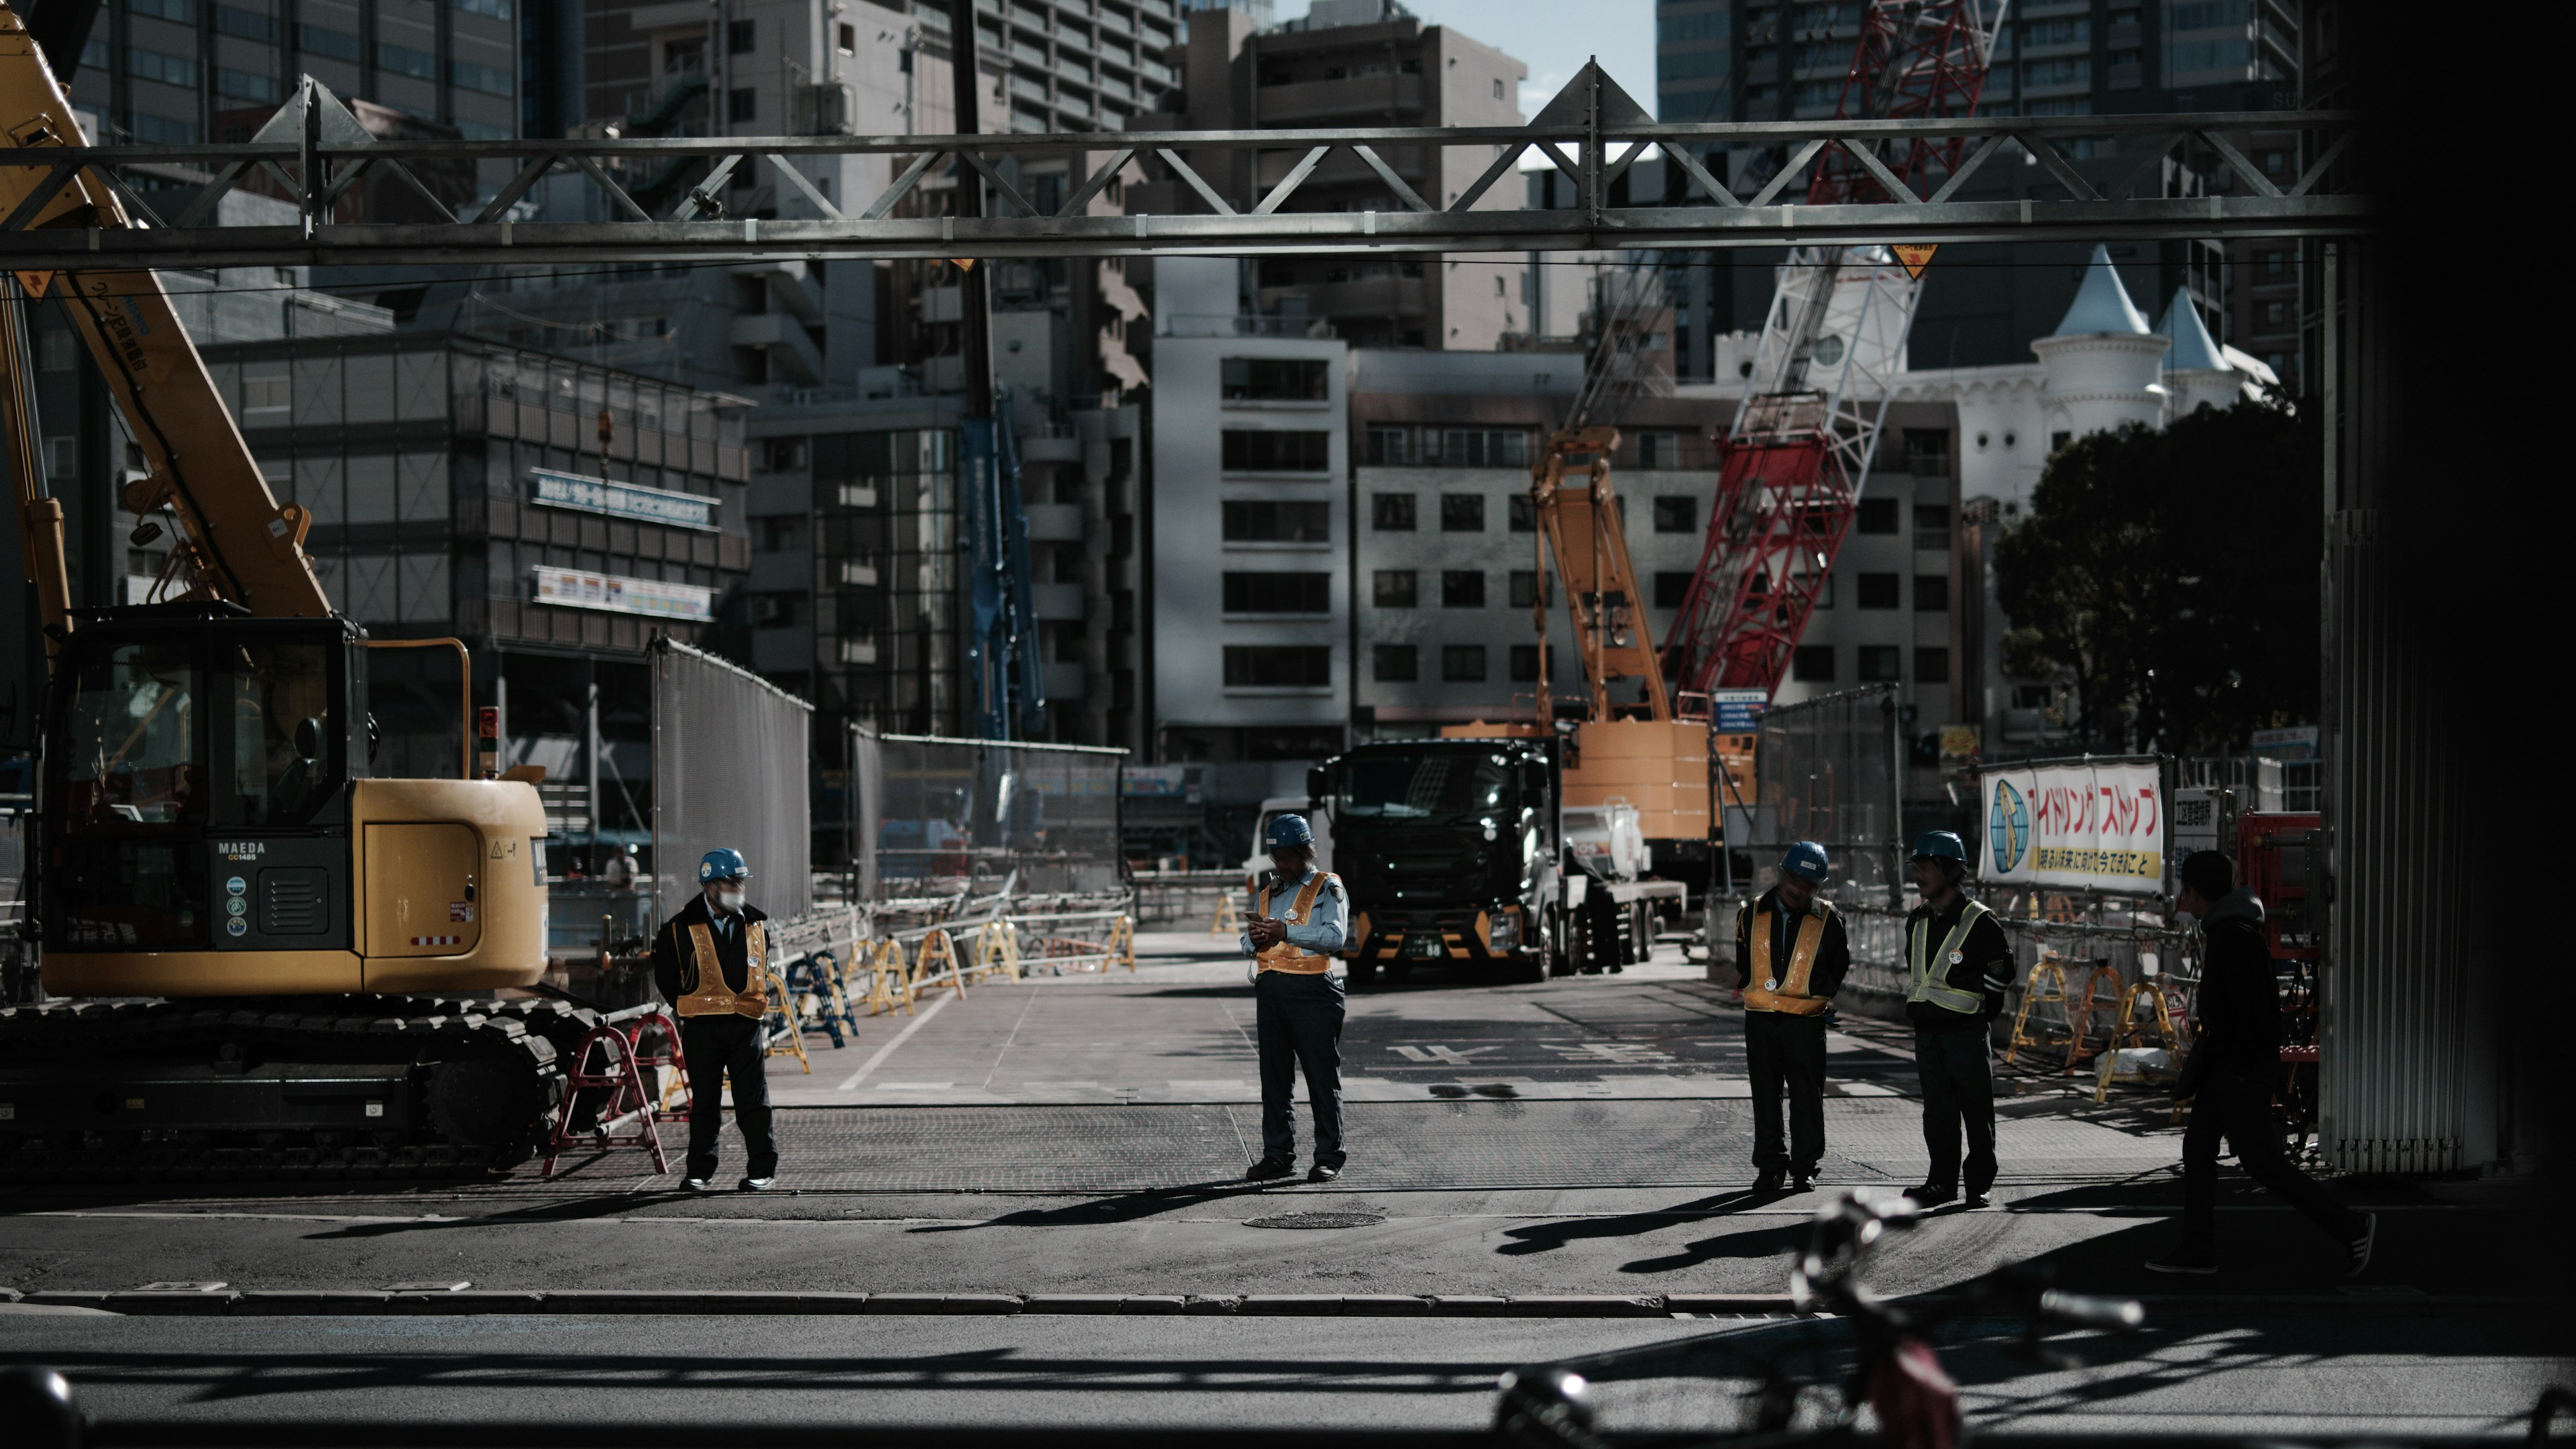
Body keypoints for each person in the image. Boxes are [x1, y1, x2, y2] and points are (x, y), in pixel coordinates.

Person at [2147, 850, 2375, 1277]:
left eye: (2185, 891)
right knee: (2203, 1148)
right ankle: (2199, 1248)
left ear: (2195, 892)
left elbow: (2247, 1015)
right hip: (2235, 1067)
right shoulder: (2232, 931)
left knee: (2259, 1161)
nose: (2182, 900)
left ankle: (2352, 1226)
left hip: (2239, 1069)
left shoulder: (2232, 938)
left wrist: (2233, 1065)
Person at [649, 847, 779, 1191]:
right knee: (704, 1103)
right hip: (702, 1029)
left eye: (740, 881)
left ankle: (762, 1169)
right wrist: (684, 1005)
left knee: (753, 1101)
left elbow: (761, 968)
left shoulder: (756, 924)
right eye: (730, 881)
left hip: (745, 1025)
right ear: (708, 885)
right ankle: (700, 1171)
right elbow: (665, 975)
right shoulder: (677, 929)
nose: (737, 887)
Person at [1902, 830, 2015, 1208]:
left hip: (1965, 1033)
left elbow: (1999, 976)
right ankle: (1941, 1183)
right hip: (1929, 1035)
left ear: (1949, 871)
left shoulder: (1980, 921)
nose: (1918, 875)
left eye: (1925, 867)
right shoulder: (1916, 919)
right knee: (1938, 1115)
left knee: (1976, 1112)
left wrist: (1977, 1017)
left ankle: (1978, 1183)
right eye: (1916, 867)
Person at [1733, 841, 1849, 1193]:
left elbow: (1838, 967)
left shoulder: (1829, 919)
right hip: (1762, 1021)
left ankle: (1803, 1168)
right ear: (1783, 875)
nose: (1800, 890)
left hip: (1805, 1023)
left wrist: (1815, 995)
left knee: (1807, 1098)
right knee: (1765, 1097)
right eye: (1795, 880)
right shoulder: (1750, 914)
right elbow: (1743, 963)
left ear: (1817, 888)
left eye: (1809, 885)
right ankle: (1770, 1168)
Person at [1239, 813, 1349, 1183]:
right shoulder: (1269, 891)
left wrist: (1287, 931)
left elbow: (1335, 937)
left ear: (1305, 852)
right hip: (1271, 992)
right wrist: (1253, 940)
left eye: (1287, 857)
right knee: (1274, 1079)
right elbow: (1245, 941)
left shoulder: (1327, 887)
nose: (1281, 865)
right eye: (1276, 858)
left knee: (1321, 1077)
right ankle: (1278, 1155)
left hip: (1313, 992)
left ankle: (1328, 1156)